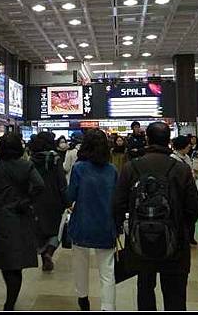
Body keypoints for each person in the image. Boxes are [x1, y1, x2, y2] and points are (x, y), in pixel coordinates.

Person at [114, 122, 198, 311]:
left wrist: (126, 227)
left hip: (140, 241)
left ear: (147, 139)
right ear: (168, 140)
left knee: (145, 289)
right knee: (175, 294)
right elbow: (194, 207)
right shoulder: (180, 169)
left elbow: (118, 204)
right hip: (175, 243)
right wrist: (180, 228)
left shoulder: (131, 168)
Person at [0, 133, 45, 311]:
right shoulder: (26, 165)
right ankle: (10, 301)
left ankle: (10, 300)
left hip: (0, 217)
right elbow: (40, 185)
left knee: (5, 259)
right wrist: (26, 200)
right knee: (16, 260)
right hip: (21, 216)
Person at [68, 129, 117, 311]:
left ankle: (83, 300)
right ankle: (107, 307)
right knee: (107, 271)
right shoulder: (112, 170)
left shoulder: (79, 168)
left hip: (82, 223)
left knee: (80, 266)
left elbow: (70, 195)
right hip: (105, 225)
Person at [28, 132, 68, 272]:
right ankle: (49, 252)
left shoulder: (31, 159)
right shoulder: (55, 158)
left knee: (41, 228)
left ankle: (43, 255)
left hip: (36, 198)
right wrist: (67, 200)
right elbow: (61, 181)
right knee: (56, 229)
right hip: (54, 198)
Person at [171, 136, 198, 246]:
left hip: (190, 188)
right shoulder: (173, 158)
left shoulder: (186, 157)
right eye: (187, 144)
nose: (190, 146)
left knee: (192, 210)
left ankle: (190, 236)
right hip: (179, 191)